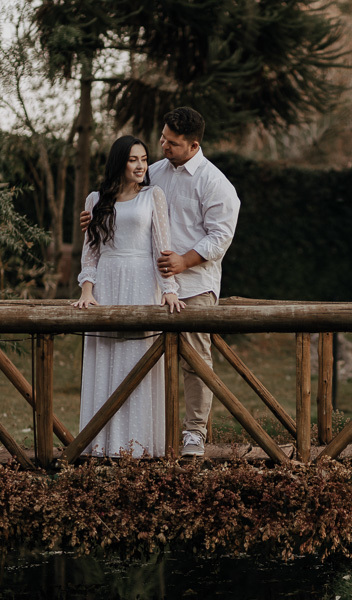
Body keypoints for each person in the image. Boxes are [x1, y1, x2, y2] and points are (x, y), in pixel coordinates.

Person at [81, 108, 240, 457]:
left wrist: (185, 260)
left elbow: (221, 237)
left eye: (173, 142)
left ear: (193, 144)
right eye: (163, 138)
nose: (163, 145)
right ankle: (145, 437)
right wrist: (95, 218)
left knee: (195, 359)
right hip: (148, 286)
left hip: (194, 284)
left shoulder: (215, 183)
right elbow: (121, 201)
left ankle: (194, 433)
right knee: (142, 359)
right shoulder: (153, 172)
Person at [72, 135, 185, 458]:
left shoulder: (154, 196)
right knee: (105, 357)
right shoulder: (96, 199)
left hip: (140, 280)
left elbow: (161, 248)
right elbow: (90, 253)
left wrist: (170, 290)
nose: (140, 166)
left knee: (137, 359)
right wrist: (87, 291)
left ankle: (138, 445)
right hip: (107, 283)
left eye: (144, 160)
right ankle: (100, 442)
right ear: (119, 162)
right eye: (134, 159)